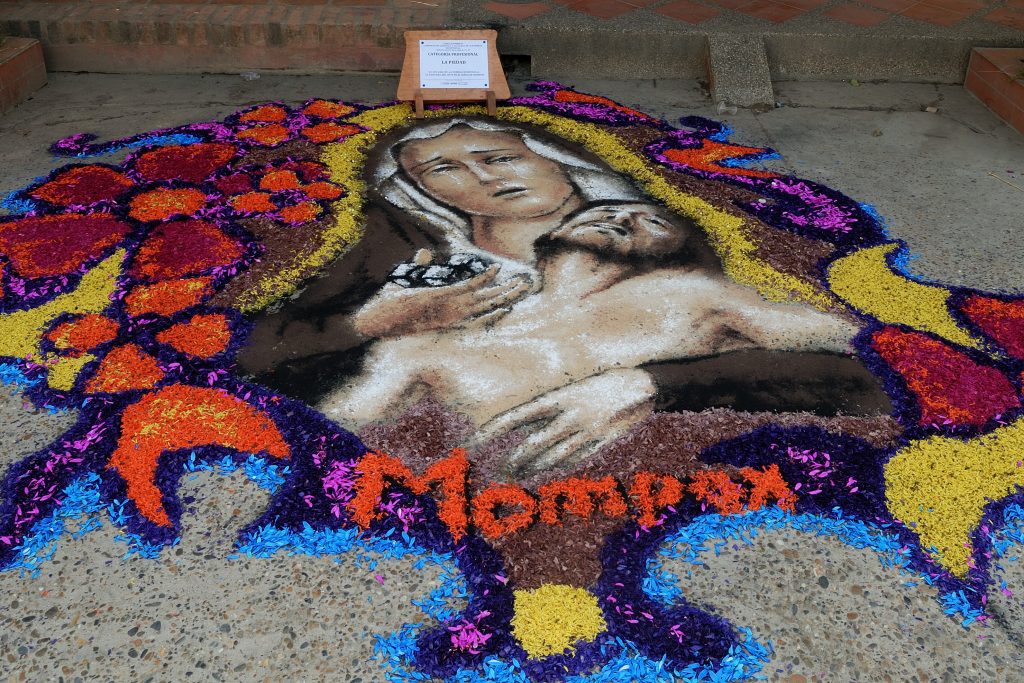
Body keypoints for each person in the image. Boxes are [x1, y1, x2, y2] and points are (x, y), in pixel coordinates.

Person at [318, 202, 864, 476]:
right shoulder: (455, 323)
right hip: (489, 506)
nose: (622, 216)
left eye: (652, 222)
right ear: (550, 238)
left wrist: (655, 382)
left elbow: (866, 349)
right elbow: (334, 432)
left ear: (678, 252)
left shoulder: (692, 294)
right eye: (603, 210)